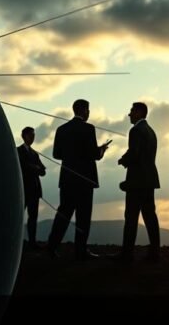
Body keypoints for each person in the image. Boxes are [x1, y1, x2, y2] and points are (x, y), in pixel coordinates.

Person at [45, 99, 111, 260]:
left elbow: (56, 154)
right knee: (83, 216)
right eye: (88, 110)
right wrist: (101, 150)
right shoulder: (88, 129)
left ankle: (51, 247)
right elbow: (93, 155)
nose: (89, 113)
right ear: (84, 111)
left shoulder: (62, 129)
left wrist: (71, 155)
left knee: (63, 214)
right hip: (84, 180)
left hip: (67, 179)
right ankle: (80, 251)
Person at [111, 102, 161, 263]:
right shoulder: (151, 131)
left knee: (131, 217)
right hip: (149, 180)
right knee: (150, 216)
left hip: (137, 181)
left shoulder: (135, 130)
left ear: (139, 112)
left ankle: (127, 253)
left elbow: (135, 153)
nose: (129, 114)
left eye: (132, 111)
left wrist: (123, 161)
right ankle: (155, 251)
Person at [17, 126, 46, 249]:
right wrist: (35, 168)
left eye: (33, 135)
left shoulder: (34, 153)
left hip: (34, 190)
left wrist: (35, 168)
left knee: (33, 217)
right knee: (19, 217)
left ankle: (32, 242)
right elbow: (23, 167)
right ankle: (18, 242)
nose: (32, 138)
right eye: (30, 135)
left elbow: (43, 171)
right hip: (23, 190)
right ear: (24, 136)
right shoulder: (18, 151)